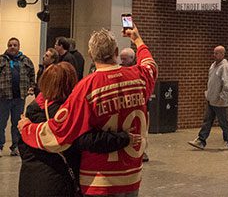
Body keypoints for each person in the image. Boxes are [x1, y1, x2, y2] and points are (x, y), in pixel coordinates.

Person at [19, 25, 158, 197]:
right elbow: (150, 64)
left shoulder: (86, 87)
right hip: (132, 175)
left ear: (91, 55)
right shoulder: (138, 77)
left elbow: (60, 131)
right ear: (116, 51)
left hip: (99, 179)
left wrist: (27, 128)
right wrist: (137, 39)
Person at [18, 62, 131, 197]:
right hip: (59, 181)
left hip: (30, 179)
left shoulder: (33, 108)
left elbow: (23, 145)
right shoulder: (69, 112)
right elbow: (87, 139)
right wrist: (124, 138)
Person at [188, 45, 228, 150]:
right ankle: (201, 140)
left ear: (222, 54)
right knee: (207, 120)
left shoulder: (225, 67)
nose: (214, 55)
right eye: (214, 53)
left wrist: (222, 97)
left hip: (220, 100)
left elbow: (227, 84)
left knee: (223, 122)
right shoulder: (213, 66)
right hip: (211, 98)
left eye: (217, 53)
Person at [0, 37, 35, 157]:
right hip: (4, 98)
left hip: (19, 98)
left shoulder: (26, 61)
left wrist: (31, 86)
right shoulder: (1, 60)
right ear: (7, 46)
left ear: (19, 47)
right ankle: (0, 146)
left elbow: (32, 75)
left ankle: (15, 147)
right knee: (1, 123)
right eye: (10, 45)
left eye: (15, 45)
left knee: (17, 124)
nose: (12, 47)